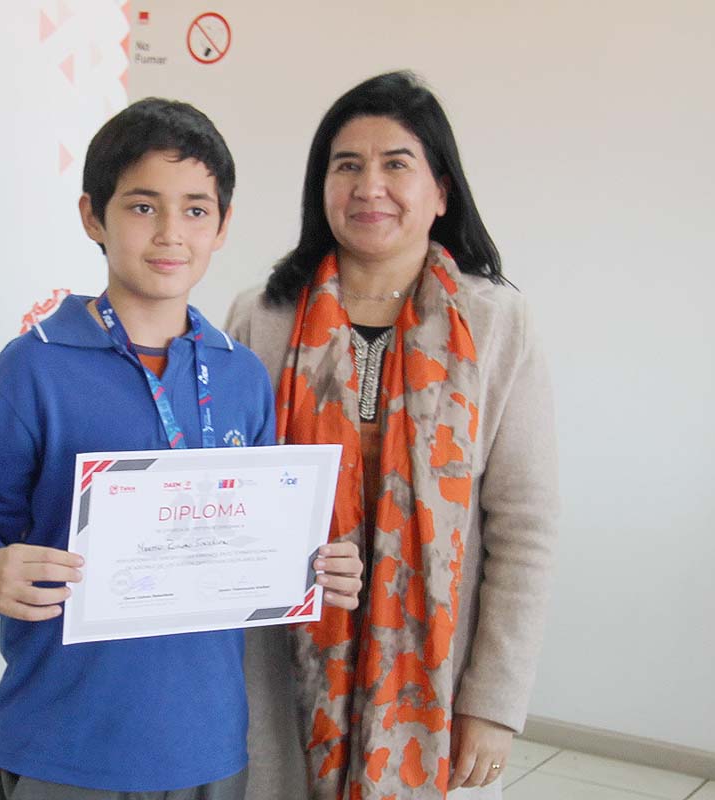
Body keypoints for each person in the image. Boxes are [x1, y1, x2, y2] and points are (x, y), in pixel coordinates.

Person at [0, 98, 363, 800]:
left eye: (195, 209)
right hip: (65, 747)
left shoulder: (240, 376)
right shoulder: (34, 368)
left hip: (209, 747)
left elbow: (257, 542)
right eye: (141, 206)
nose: (170, 233)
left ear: (222, 225)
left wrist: (316, 565)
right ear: (92, 217)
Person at [227, 72, 559, 800]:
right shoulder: (263, 316)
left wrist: (493, 702)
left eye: (396, 164)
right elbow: (230, 501)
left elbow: (525, 527)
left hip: (436, 688)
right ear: (321, 188)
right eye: (346, 165)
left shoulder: (496, 324)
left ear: (441, 192)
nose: (368, 186)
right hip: (282, 673)